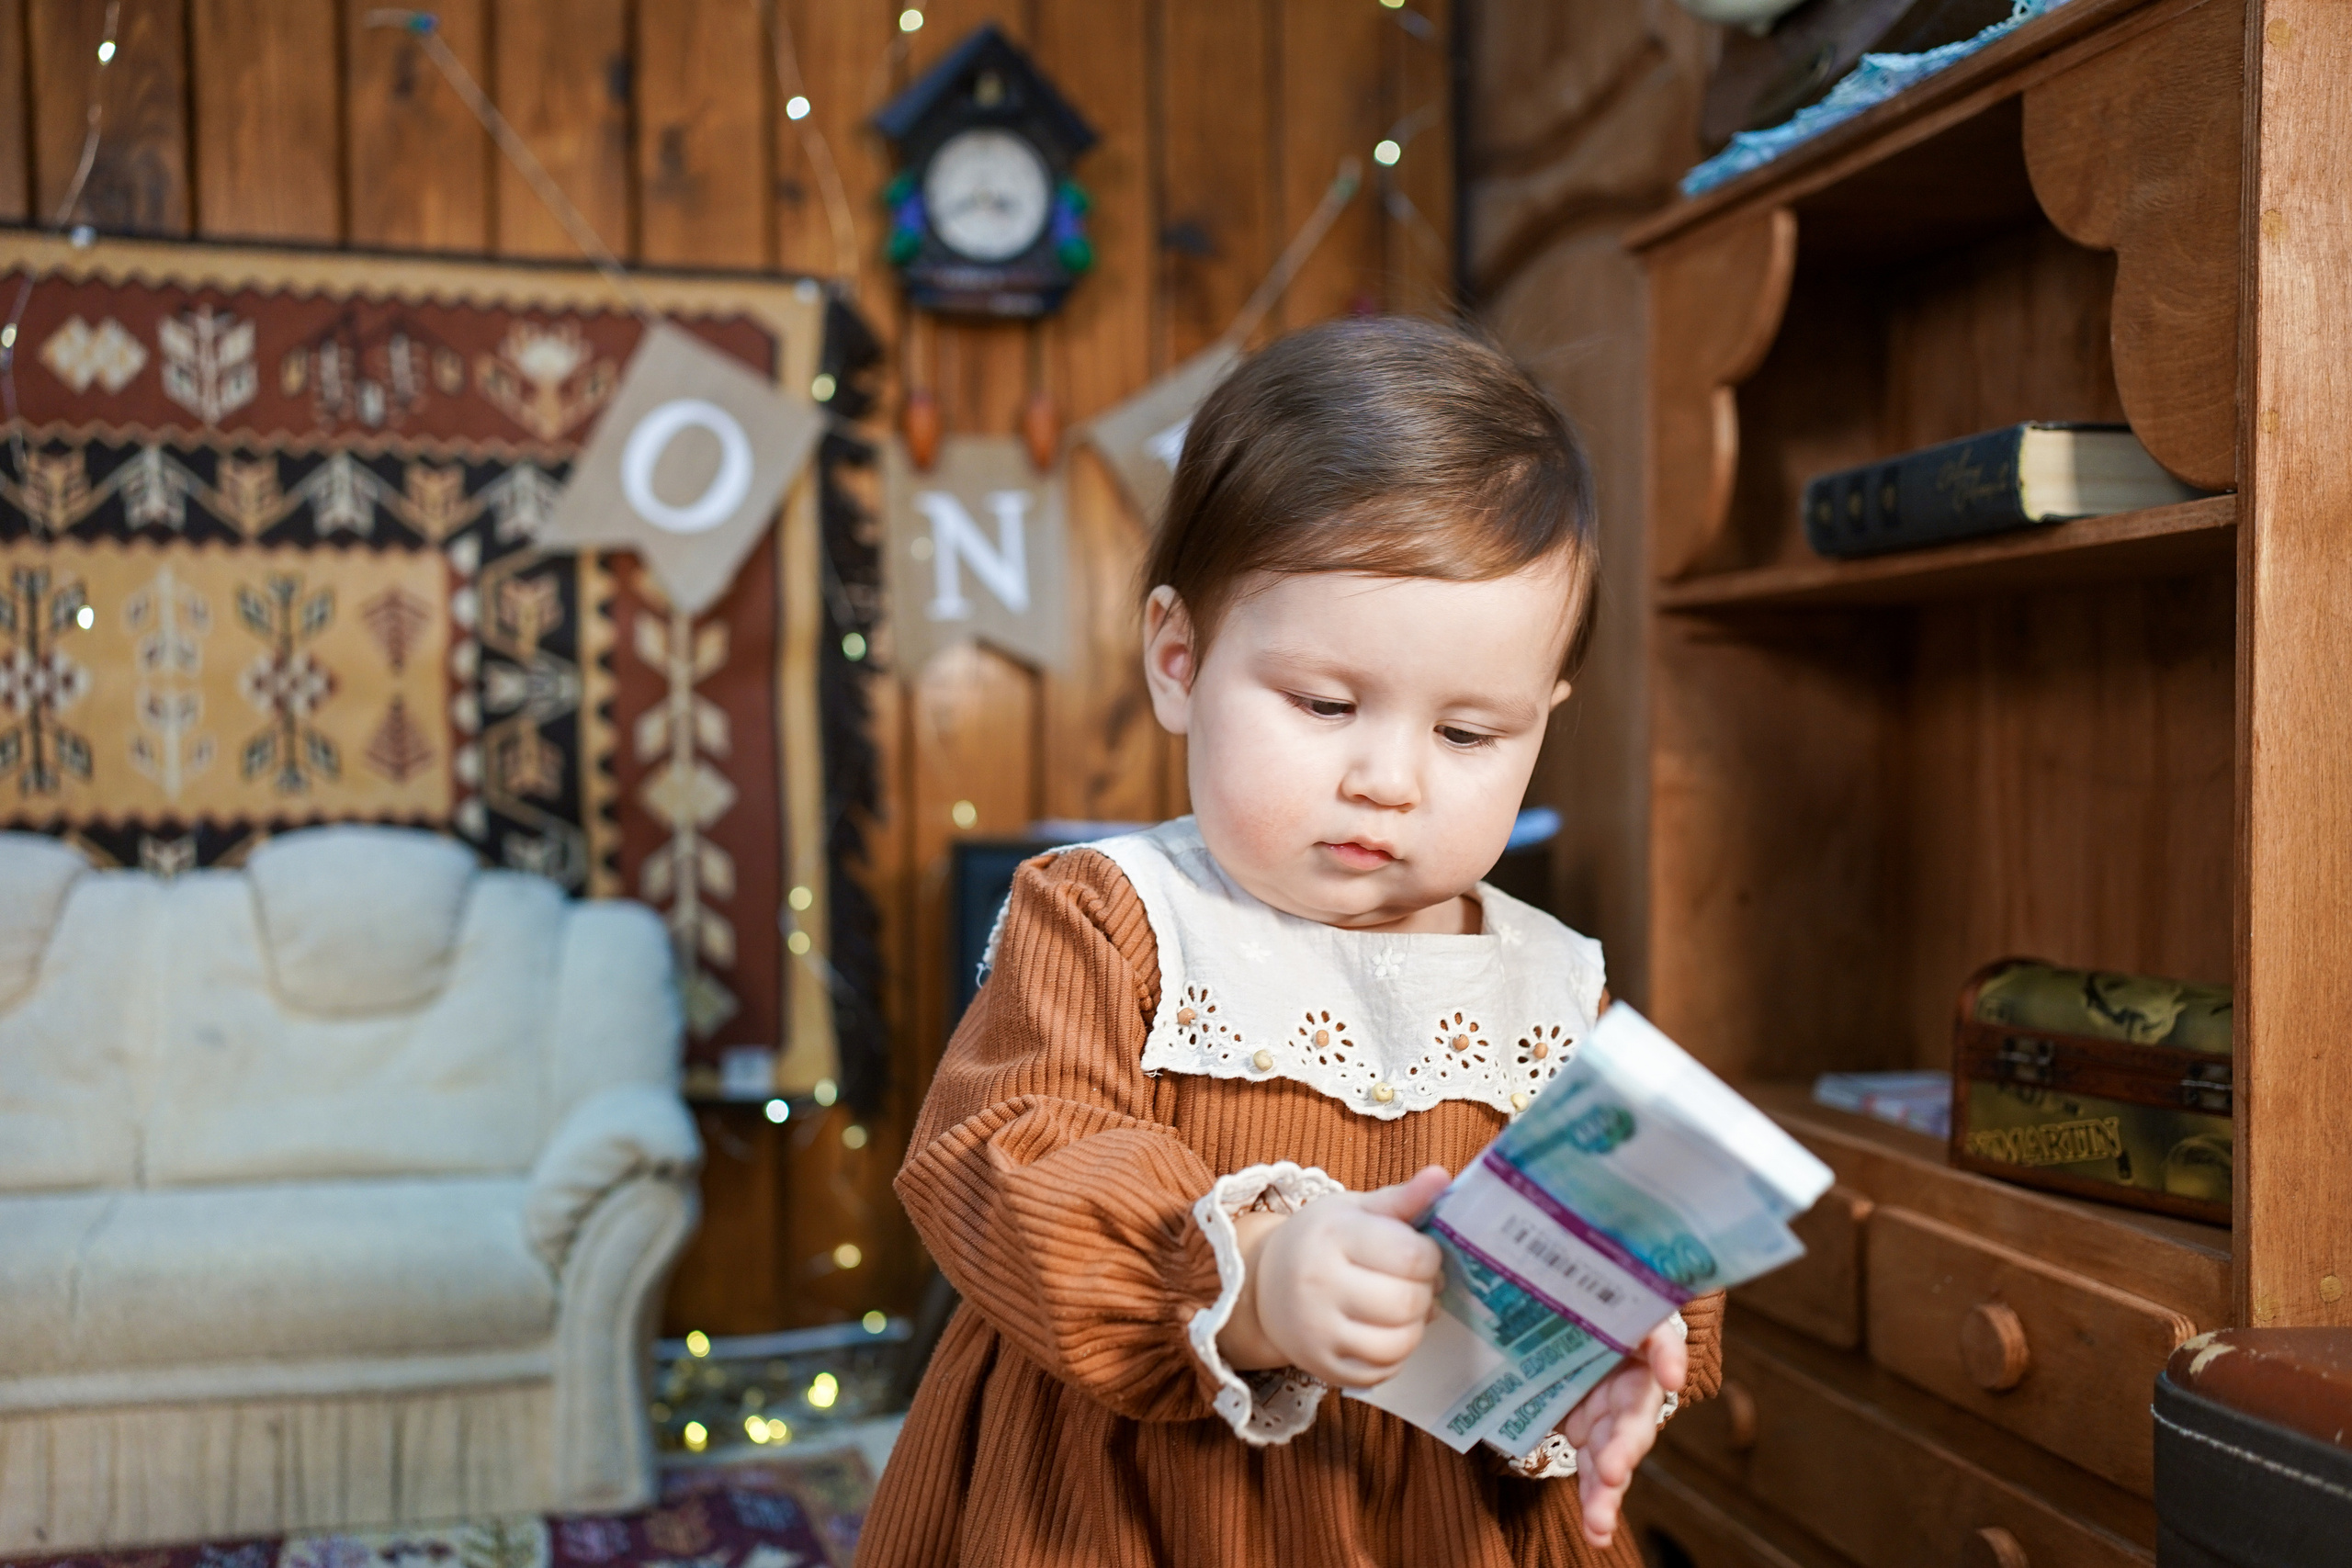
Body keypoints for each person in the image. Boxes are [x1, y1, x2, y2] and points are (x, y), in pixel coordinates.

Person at [859, 317, 1723, 1567]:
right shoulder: (1113, 913)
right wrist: (1252, 1277)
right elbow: (1005, 1158)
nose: (1390, 779)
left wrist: (1630, 1332)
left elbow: (1640, 1220)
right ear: (1179, 661)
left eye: (1471, 734)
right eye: (1326, 705)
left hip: (1446, 1515)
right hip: (1131, 1509)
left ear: (1546, 717)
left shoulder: (1553, 984)